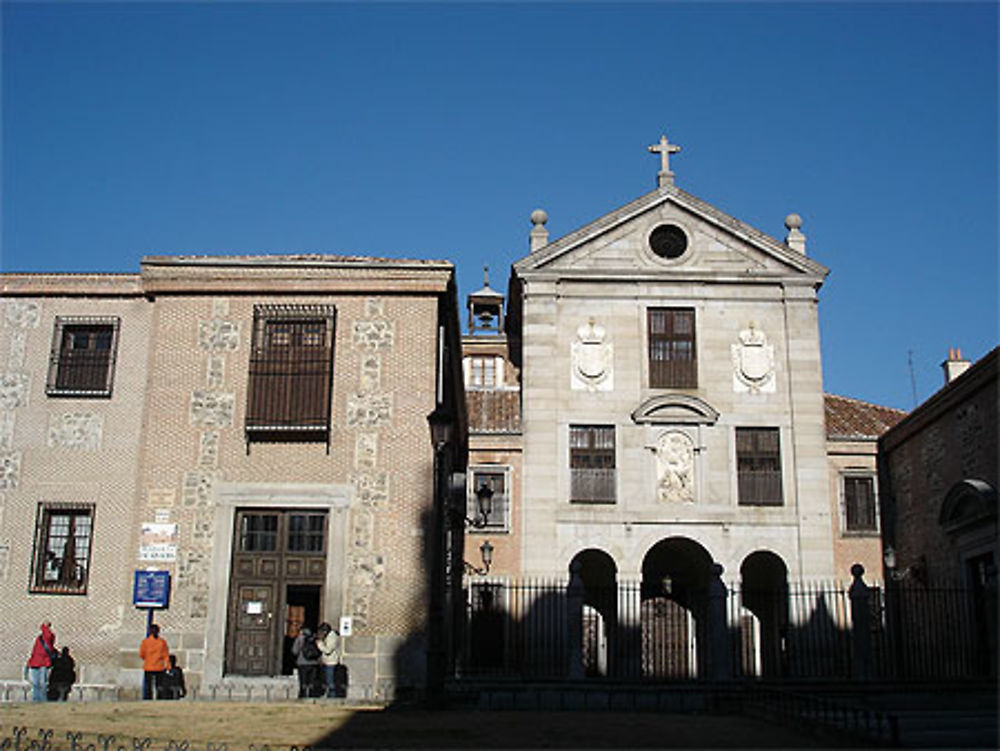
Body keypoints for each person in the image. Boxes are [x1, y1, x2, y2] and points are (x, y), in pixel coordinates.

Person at [26, 621, 56, 702]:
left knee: (42, 683)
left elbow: (48, 635)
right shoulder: (39, 638)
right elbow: (34, 651)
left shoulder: (49, 636)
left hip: (44, 662)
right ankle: (36, 699)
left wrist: (45, 627)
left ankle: (43, 699)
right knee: (35, 683)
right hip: (35, 662)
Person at [139, 624, 170, 700]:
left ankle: (147, 698)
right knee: (159, 685)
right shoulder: (162, 642)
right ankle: (159, 698)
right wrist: (168, 666)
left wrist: (148, 659)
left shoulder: (145, 642)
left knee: (148, 685)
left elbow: (141, 654)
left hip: (148, 666)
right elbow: (165, 655)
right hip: (159, 667)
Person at [291, 625, 320, 698]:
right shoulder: (314, 639)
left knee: (303, 682)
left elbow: (295, 651)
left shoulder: (299, 639)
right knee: (311, 681)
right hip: (314, 663)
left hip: (302, 663)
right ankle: (311, 695)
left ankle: (302, 695)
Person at [316, 622, 343, 698]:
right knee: (327, 681)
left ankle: (332, 697)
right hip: (327, 661)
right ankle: (328, 695)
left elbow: (328, 650)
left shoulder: (332, 637)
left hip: (331, 662)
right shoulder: (329, 636)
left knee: (330, 681)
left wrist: (320, 644)